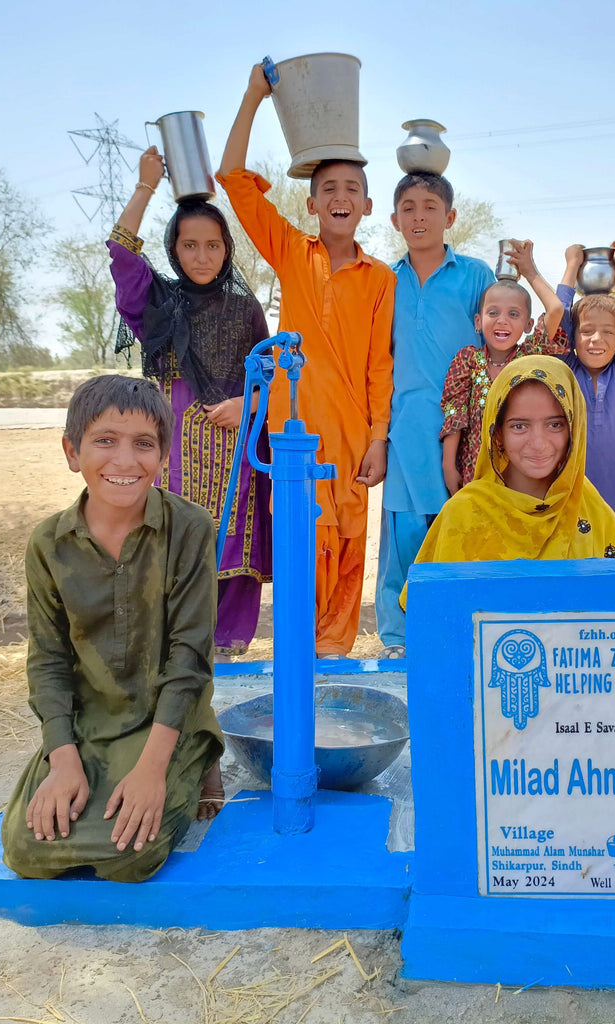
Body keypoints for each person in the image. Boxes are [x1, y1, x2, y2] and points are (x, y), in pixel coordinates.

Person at [2, 376, 224, 883]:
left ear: (164, 456)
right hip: (88, 722)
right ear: (71, 451)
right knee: (26, 850)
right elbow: (49, 660)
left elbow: (190, 655)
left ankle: (199, 749)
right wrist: (61, 760)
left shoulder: (190, 529)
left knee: (128, 858)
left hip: (167, 718)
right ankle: (108, 770)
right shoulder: (48, 544)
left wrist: (150, 771)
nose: (125, 461)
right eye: (105, 440)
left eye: (144, 444)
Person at [217, 64, 395, 658]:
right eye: (329, 189)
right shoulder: (293, 252)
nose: (340, 198)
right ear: (312, 203)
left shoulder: (381, 278)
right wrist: (254, 97)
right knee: (300, 554)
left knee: (347, 557)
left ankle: (330, 669)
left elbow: (377, 367)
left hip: (351, 443)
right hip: (295, 437)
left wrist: (378, 438)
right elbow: (233, 179)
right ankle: (297, 668)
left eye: (351, 190)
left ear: (367, 205)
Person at [108, 146, 272, 658]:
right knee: (169, 542)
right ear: (174, 249)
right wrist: (145, 186)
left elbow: (268, 376)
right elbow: (122, 256)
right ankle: (172, 649)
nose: (202, 256)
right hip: (173, 447)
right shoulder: (159, 304)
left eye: (213, 246)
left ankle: (225, 649)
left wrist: (245, 404)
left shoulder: (246, 309)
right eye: (190, 245)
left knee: (231, 542)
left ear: (227, 249)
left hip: (234, 452)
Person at [375, 171, 495, 659]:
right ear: (394, 219)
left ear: (450, 217)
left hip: (465, 428)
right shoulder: (384, 280)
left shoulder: (475, 275)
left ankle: (459, 627)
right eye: (408, 206)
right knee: (403, 530)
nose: (419, 215)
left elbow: (495, 341)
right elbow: (376, 358)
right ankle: (399, 638)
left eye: (429, 206)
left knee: (461, 523)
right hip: (405, 424)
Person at [405, 356, 615, 581]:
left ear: (573, 430)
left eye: (555, 425)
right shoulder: (463, 516)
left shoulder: (595, 513)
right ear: (497, 434)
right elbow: (438, 608)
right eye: (519, 426)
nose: (538, 443)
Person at [440, 239, 566, 495]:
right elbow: (455, 413)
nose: (502, 321)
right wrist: (447, 466)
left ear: (529, 324)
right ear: (478, 320)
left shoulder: (529, 357)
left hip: (522, 477)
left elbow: (555, 309)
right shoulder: (468, 360)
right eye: (493, 312)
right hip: (476, 474)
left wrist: (529, 271)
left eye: (514, 314)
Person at [556, 240, 615, 551]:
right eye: (586, 332)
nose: (596, 340)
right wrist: (572, 266)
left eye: (608, 332)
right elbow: (557, 325)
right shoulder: (566, 372)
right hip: (576, 494)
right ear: (574, 337)